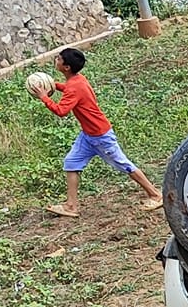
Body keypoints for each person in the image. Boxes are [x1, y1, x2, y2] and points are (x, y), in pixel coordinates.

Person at [31, 49, 164, 217]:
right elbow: (70, 90)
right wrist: (54, 86)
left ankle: (155, 194)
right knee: (71, 163)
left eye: (59, 58)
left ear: (66, 67)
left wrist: (44, 97)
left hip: (100, 136)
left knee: (124, 164)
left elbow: (61, 111)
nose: (56, 59)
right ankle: (71, 206)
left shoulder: (74, 87)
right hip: (88, 135)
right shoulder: (77, 80)